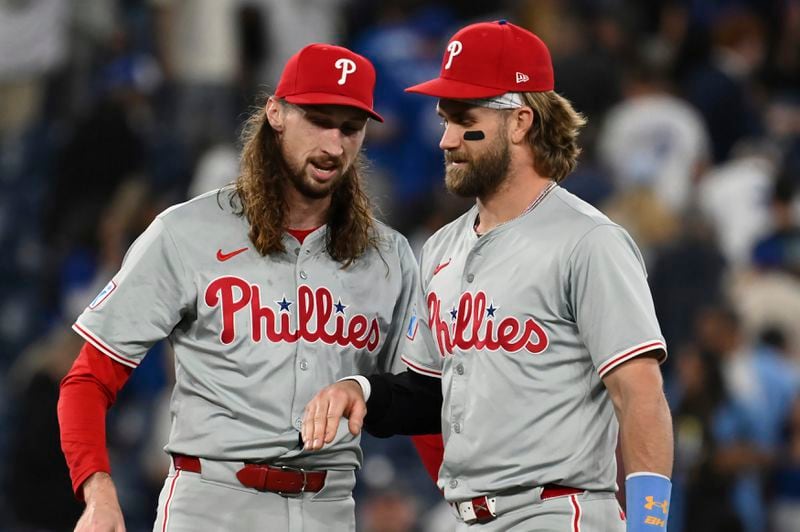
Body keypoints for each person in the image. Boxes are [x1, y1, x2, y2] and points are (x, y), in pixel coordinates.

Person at [302, 21, 674, 531]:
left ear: (520, 122)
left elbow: (639, 393)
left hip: (555, 510)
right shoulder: (441, 248)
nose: (446, 139)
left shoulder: (587, 241)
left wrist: (650, 526)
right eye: (443, 120)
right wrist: (361, 390)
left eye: (463, 119)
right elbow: (429, 394)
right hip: (467, 517)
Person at [57, 43, 422, 532]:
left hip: (329, 508)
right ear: (276, 113)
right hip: (212, 504)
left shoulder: (388, 255)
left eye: (350, 128)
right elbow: (87, 380)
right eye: (318, 120)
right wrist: (97, 493)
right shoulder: (187, 232)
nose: (334, 146)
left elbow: (420, 396)